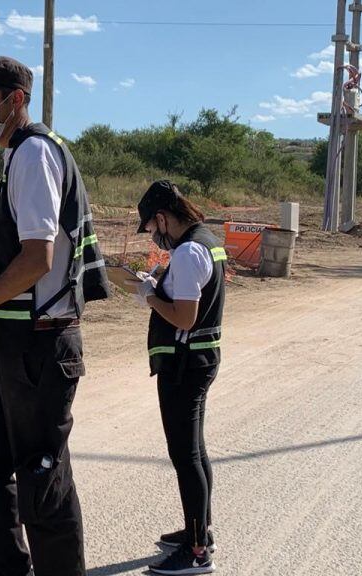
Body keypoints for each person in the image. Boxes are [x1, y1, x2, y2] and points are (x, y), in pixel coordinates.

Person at [0, 56, 110, 576]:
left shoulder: (34, 153)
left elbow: (36, 258)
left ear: (16, 99)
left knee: (42, 480)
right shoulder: (21, 154)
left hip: (39, 346)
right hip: (14, 346)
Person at [131, 180, 227, 575]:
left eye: (153, 230)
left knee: (185, 456)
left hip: (185, 364)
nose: (155, 238)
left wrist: (148, 295)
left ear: (162, 218)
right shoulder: (206, 241)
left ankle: (198, 551)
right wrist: (159, 284)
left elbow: (185, 317)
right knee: (195, 453)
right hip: (200, 358)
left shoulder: (188, 252)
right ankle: (198, 531)